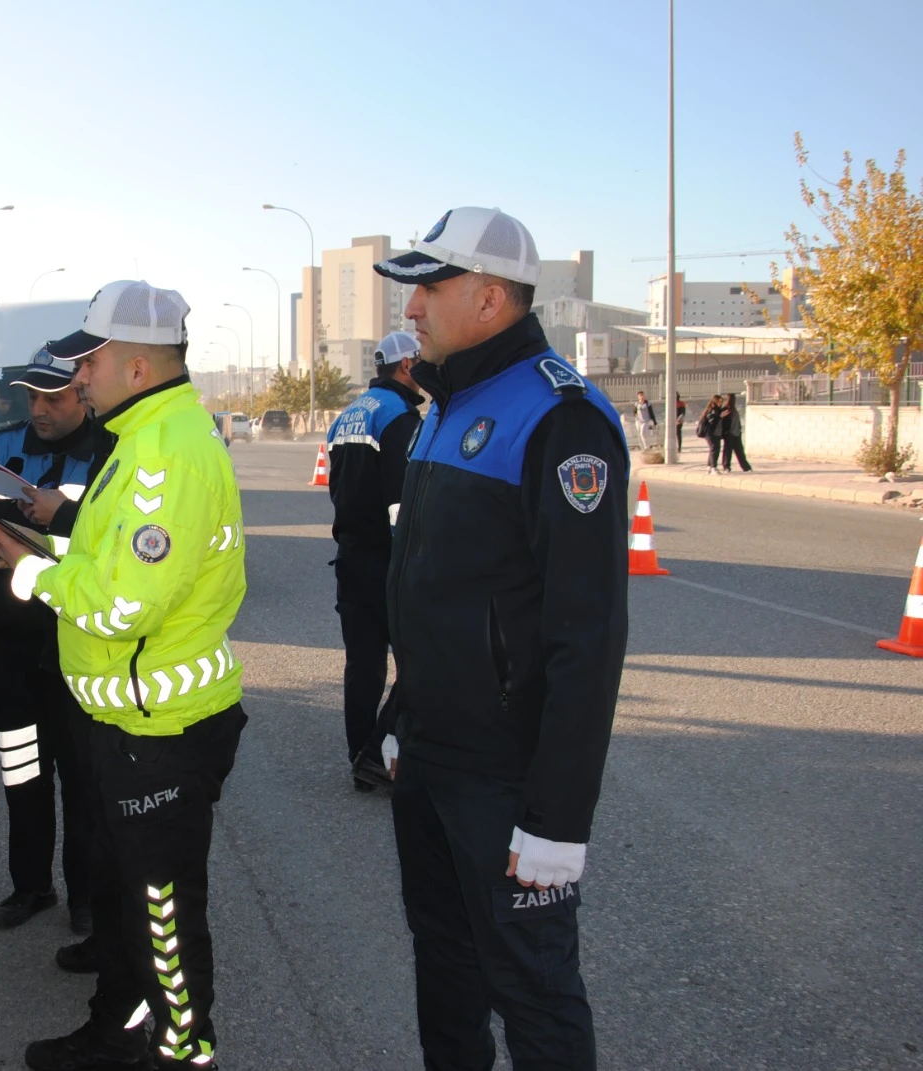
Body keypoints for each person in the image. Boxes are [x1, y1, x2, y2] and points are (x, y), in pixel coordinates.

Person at [374, 207, 629, 1070]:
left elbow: (586, 636)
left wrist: (558, 817)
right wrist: (402, 713)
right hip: (432, 756)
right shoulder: (446, 403)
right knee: (444, 966)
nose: (411, 307)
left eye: (428, 287)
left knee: (533, 991)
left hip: (504, 776)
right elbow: (434, 591)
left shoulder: (561, 417)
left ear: (489, 298)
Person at [0, 280, 246, 1071]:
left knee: (162, 914)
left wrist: (30, 572)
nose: (79, 378)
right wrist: (53, 545)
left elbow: (123, 604)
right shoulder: (139, 437)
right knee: (131, 901)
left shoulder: (166, 453)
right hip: (126, 721)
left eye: (89, 362)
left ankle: (182, 1050)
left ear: (136, 367)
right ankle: (118, 1028)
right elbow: (108, 554)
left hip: (159, 730)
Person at [0, 350, 107, 933]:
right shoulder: (0, 450)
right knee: (22, 772)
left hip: (79, 643)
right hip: (11, 649)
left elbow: (114, 538)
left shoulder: (111, 452)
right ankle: (31, 887)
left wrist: (52, 525)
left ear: (81, 393)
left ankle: (87, 898)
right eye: (31, 397)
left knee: (83, 780)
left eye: (52, 398)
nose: (38, 409)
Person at [324, 330, 424, 791]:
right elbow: (401, 499)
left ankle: (360, 759)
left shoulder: (348, 415)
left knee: (363, 665)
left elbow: (337, 487)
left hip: (350, 555)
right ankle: (376, 750)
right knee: (420, 660)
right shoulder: (399, 417)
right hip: (388, 561)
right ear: (407, 366)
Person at [718, 391, 753, 473]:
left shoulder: (733, 409)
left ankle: (746, 467)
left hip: (736, 434)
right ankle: (726, 467)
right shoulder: (726, 409)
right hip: (729, 434)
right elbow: (723, 422)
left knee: (739, 451)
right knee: (728, 451)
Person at [698, 394, 725, 474]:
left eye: (722, 402)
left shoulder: (717, 410)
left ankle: (709, 466)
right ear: (715, 401)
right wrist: (720, 416)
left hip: (715, 433)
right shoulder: (712, 410)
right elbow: (712, 422)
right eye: (719, 401)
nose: (721, 403)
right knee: (714, 449)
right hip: (710, 433)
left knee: (714, 449)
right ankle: (713, 467)